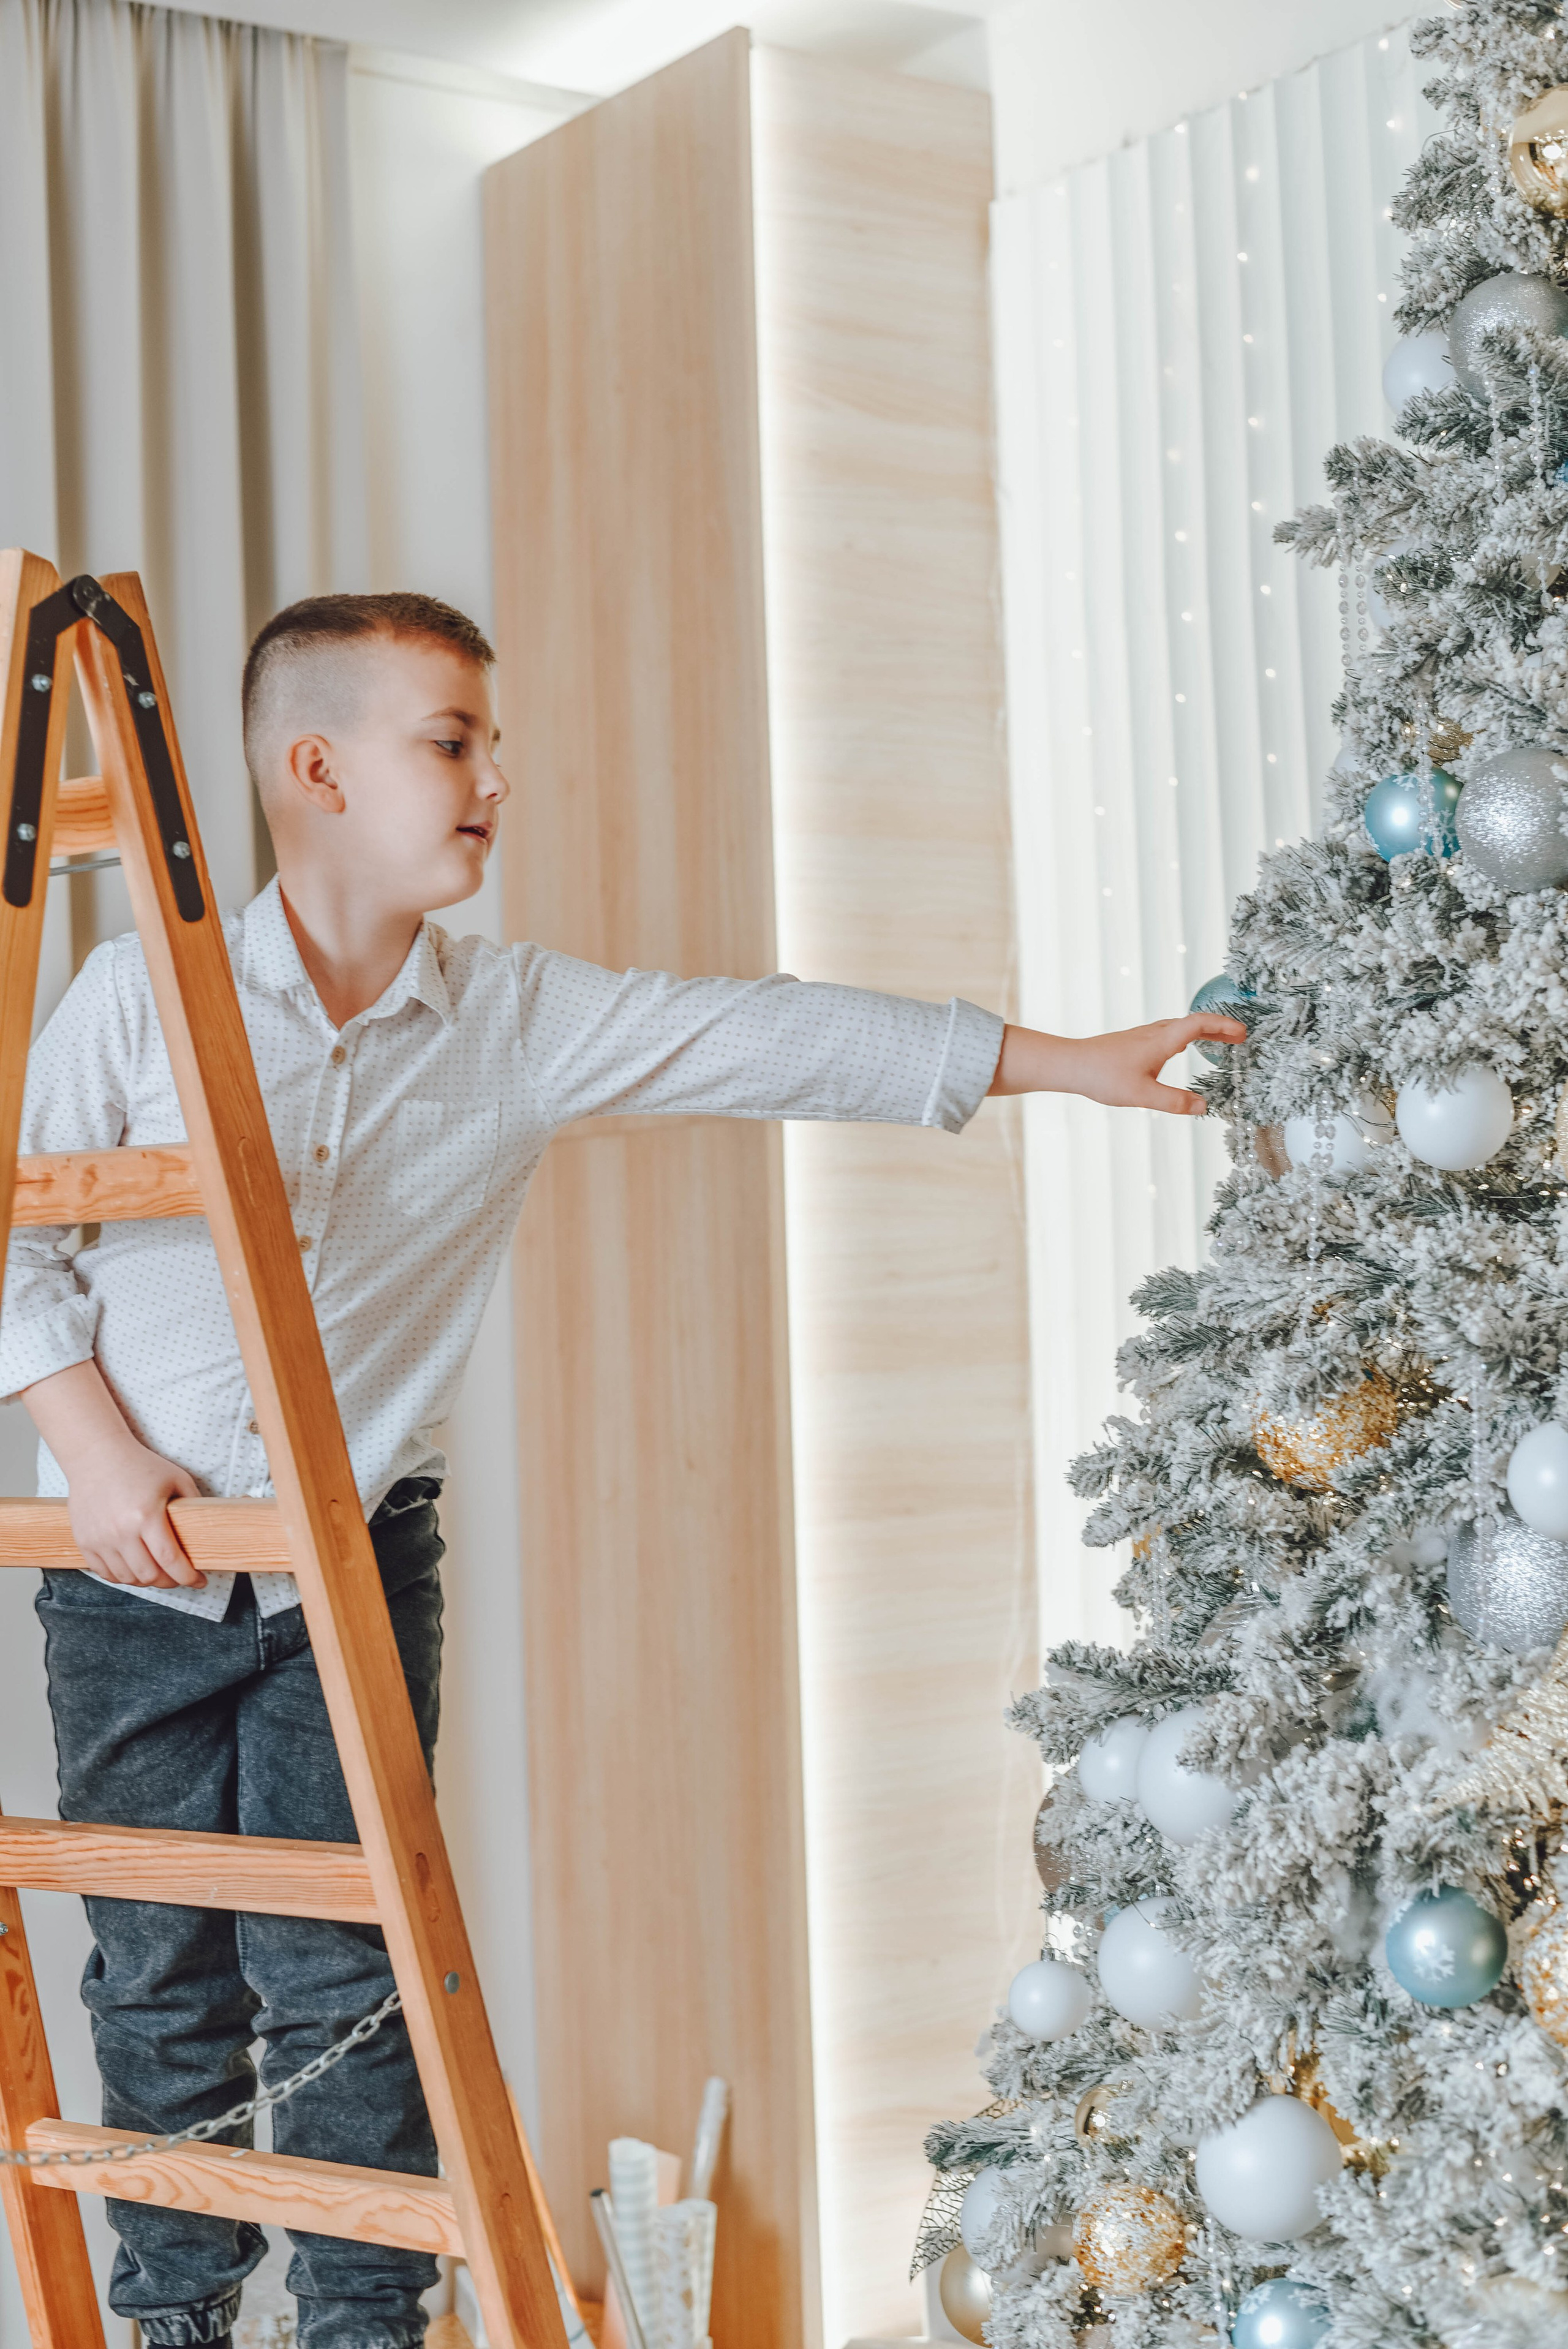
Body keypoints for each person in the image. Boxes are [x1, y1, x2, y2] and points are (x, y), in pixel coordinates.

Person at [0, 591, 1243, 2349]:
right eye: (452, 743)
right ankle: (173, 2319)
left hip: (349, 1560)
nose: (497, 776)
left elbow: (770, 1033)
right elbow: (24, 1252)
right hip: (133, 1574)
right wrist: (100, 1452)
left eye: (493, 743)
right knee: (158, 1977)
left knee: (347, 1978)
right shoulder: (139, 999)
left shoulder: (512, 1021)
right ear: (317, 770)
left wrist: (1062, 1065)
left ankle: (364, 2326)